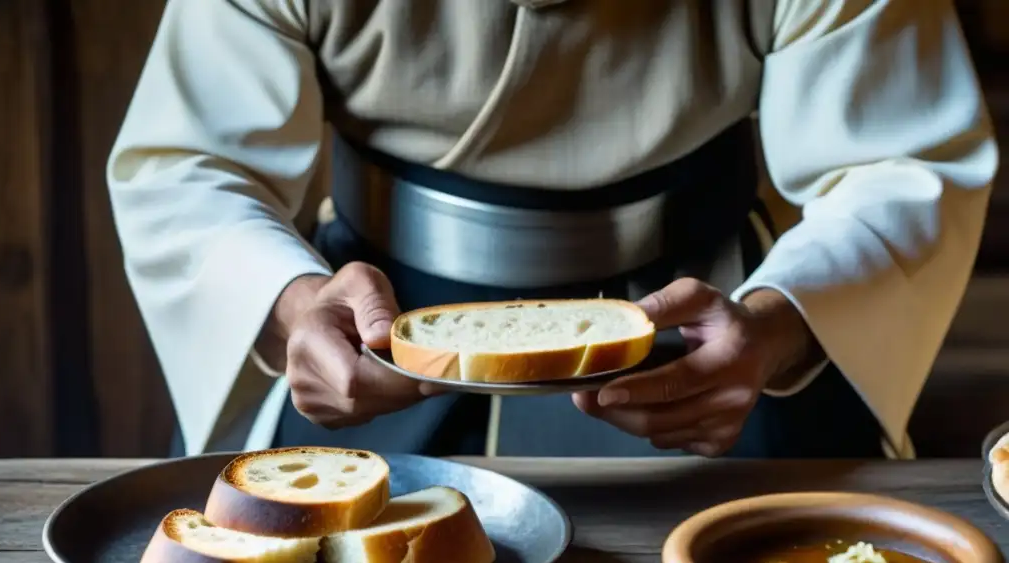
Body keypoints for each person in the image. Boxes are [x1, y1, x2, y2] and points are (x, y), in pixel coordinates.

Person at [108, 0, 997, 461]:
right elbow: (190, 165)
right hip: (377, 332)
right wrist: (293, 307)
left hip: (704, 327)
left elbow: (898, 164)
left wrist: (772, 330)